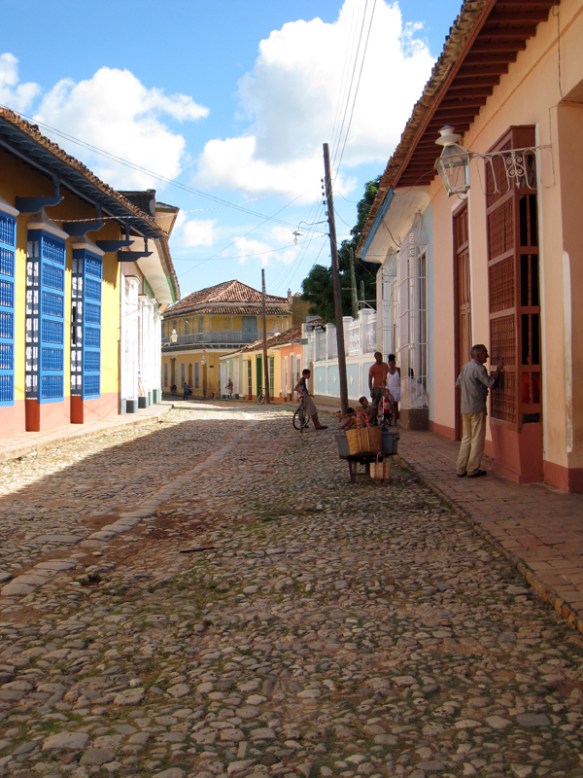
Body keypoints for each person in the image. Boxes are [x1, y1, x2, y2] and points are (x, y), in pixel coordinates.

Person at [456, 344, 503, 478]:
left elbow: (458, 384)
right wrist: (498, 370)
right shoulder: (479, 369)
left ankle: (461, 468)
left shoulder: (465, 367)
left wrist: (470, 393)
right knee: (477, 438)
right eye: (485, 354)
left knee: (466, 438)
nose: (487, 356)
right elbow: (492, 384)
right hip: (476, 408)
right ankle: (473, 468)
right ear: (478, 355)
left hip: (465, 408)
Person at [368, 351, 389, 419]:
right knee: (375, 405)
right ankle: (374, 420)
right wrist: (371, 391)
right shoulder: (372, 367)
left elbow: (389, 375)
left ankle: (386, 418)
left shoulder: (385, 365)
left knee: (386, 403)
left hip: (384, 388)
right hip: (376, 388)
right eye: (379, 357)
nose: (381, 358)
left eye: (381, 356)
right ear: (376, 358)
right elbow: (370, 380)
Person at [384, 354, 401, 423]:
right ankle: (391, 418)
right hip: (389, 389)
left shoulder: (398, 370)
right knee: (390, 404)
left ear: (395, 363)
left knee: (395, 405)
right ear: (388, 363)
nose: (391, 365)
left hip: (397, 389)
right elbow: (384, 380)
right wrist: (385, 390)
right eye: (390, 363)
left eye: (393, 363)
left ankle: (395, 419)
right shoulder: (386, 370)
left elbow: (401, 379)